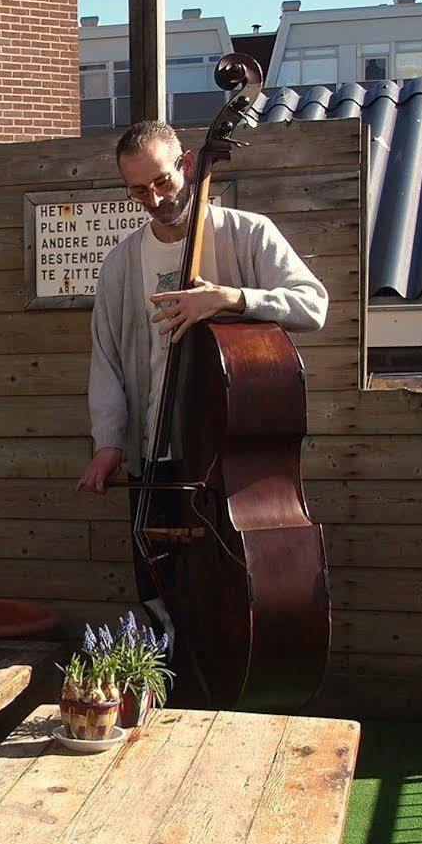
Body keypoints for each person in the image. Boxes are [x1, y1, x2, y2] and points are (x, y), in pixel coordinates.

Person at [77, 120, 330, 608]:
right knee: (158, 586)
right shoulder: (121, 263)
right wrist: (109, 443)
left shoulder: (248, 234)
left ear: (187, 164)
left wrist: (231, 299)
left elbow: (312, 305)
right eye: (138, 190)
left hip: (230, 460)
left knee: (235, 589)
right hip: (155, 455)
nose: (153, 198)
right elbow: (105, 357)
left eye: (162, 181)